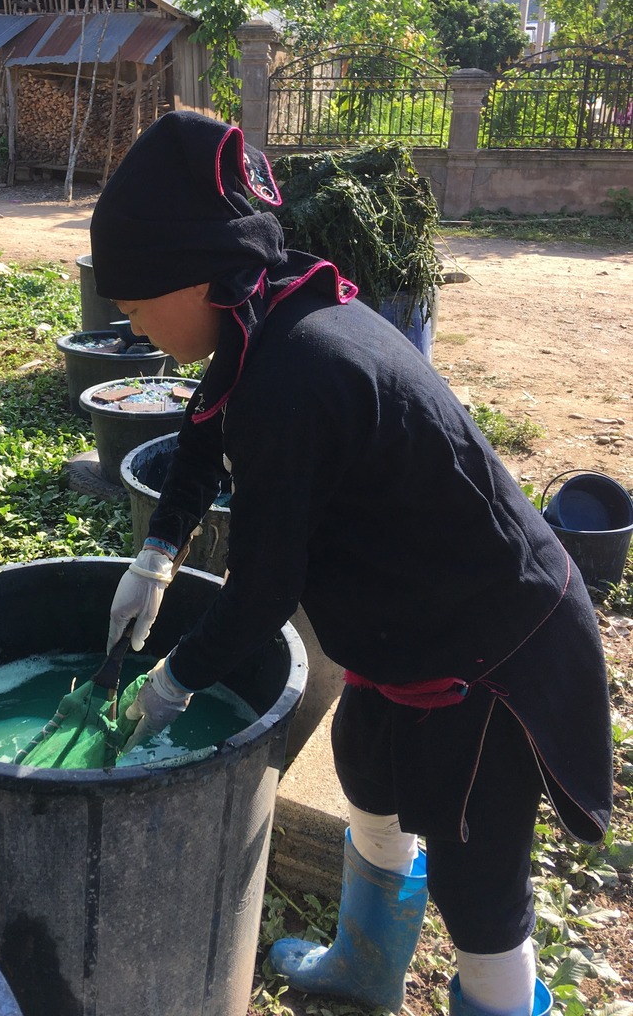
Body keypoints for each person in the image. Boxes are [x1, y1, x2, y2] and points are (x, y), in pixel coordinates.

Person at [89, 109, 613, 1016]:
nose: (130, 324)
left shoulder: (299, 373)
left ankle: (498, 997)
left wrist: (171, 683)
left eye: (135, 303)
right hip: (405, 620)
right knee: (368, 774)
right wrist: (158, 553)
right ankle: (367, 967)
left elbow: (263, 592)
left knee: (480, 888)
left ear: (194, 278)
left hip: (491, 648)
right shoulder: (264, 309)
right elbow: (204, 429)